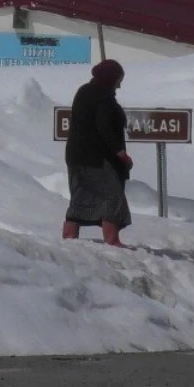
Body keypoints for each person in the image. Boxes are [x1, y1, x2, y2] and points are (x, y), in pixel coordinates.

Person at [63, 59, 133, 247]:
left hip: (75, 155)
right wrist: (120, 153)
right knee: (112, 195)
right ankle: (112, 240)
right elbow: (105, 128)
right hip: (96, 157)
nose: (120, 84)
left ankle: (69, 237)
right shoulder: (103, 97)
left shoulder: (84, 91)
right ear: (111, 78)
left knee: (80, 194)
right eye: (119, 79)